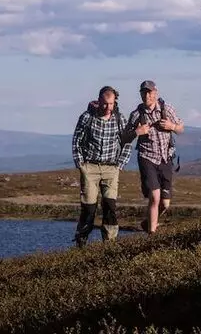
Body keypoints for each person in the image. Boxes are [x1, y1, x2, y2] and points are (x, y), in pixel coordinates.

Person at [71, 85, 134, 248]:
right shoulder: (86, 117)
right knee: (89, 208)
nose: (108, 107)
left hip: (111, 168)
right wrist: (80, 163)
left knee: (110, 206)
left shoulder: (120, 119)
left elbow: (127, 142)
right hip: (90, 168)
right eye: (105, 103)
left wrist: (121, 164)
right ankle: (81, 241)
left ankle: (110, 244)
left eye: (111, 104)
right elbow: (76, 140)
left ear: (115, 103)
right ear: (99, 101)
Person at [125, 80, 184, 234]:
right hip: (147, 158)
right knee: (154, 197)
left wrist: (172, 127)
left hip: (166, 158)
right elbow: (125, 137)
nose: (147, 95)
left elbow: (180, 128)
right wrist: (138, 132)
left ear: (155, 93)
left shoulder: (167, 109)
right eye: (144, 92)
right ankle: (152, 235)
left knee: (165, 204)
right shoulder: (136, 115)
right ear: (140, 94)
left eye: (149, 92)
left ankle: (147, 223)